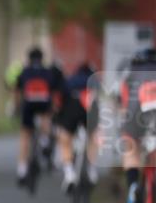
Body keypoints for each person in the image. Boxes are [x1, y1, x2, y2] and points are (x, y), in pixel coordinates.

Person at [121, 47, 156, 203]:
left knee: (131, 145)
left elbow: (120, 100)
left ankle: (134, 186)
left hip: (137, 112)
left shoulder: (131, 72)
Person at [14, 47, 57, 186]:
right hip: (44, 102)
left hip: (28, 104)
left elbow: (18, 90)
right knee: (46, 117)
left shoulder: (25, 71)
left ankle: (21, 171)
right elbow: (54, 90)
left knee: (25, 135)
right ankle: (44, 140)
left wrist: (17, 107)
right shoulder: (47, 72)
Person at [54, 61, 99, 192]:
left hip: (71, 107)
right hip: (90, 109)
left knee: (65, 139)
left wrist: (58, 117)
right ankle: (92, 170)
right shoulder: (95, 81)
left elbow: (60, 100)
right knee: (93, 137)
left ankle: (69, 174)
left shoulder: (71, 80)